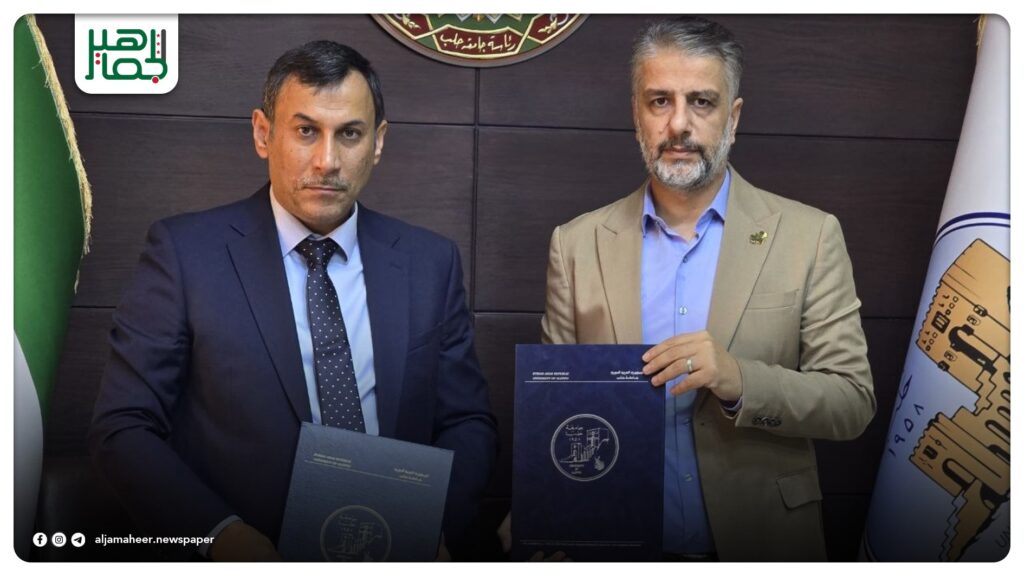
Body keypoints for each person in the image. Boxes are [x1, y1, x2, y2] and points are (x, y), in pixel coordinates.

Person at [89, 40, 498, 561]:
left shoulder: (430, 263)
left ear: (377, 142)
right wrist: (219, 536)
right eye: (306, 131)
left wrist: (437, 525)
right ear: (264, 134)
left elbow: (467, 422)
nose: (327, 161)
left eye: (349, 134)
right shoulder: (185, 254)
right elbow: (123, 427)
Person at [538, 17, 875, 561]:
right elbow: (555, 408)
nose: (679, 124)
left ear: (732, 118)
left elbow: (851, 402)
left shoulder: (809, 236)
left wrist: (739, 379)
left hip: (762, 544)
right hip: (615, 548)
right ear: (636, 115)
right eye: (660, 101)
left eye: (701, 102)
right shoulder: (576, 245)